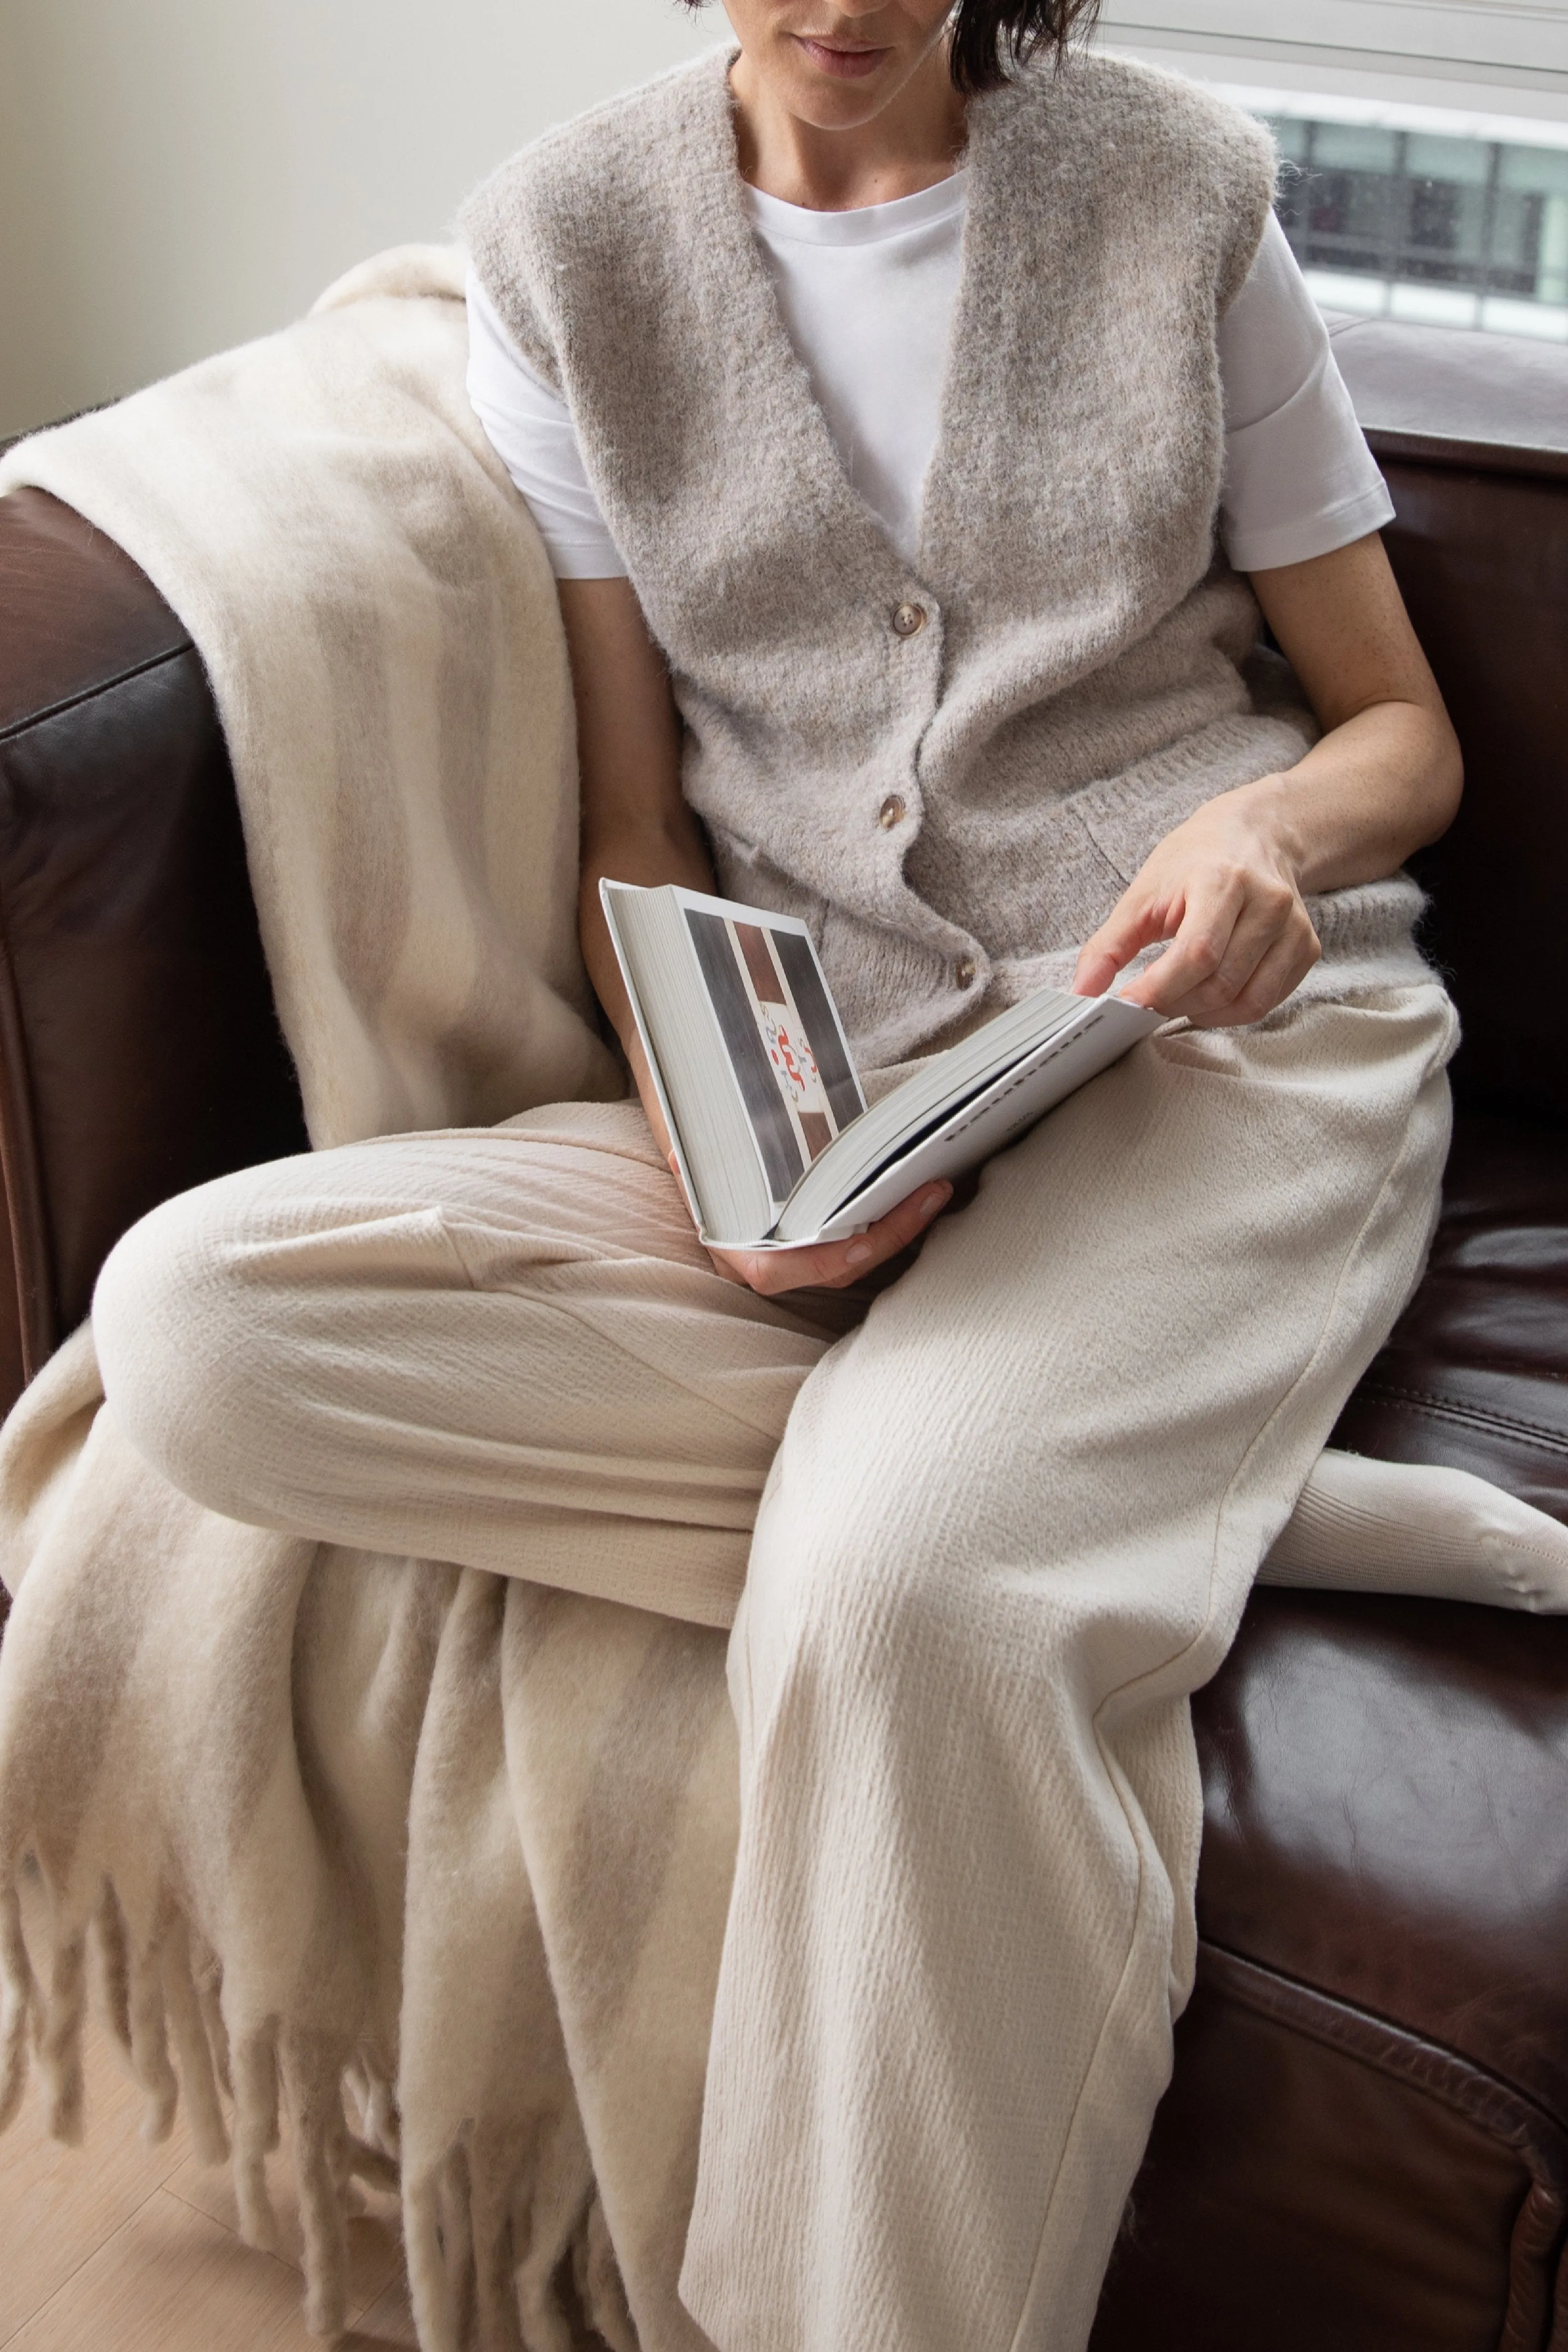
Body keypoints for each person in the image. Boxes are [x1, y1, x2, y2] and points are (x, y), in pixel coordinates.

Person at [91, 1, 1462, 2345]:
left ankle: (1021, 1500)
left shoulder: (1177, 192)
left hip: (1224, 1043)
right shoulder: (565, 242)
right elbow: (642, 829)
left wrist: (1258, 832)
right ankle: (1148, 1486)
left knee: (898, 1596)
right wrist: (732, 1151)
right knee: (200, 1328)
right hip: (844, 1082)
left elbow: (1399, 730)